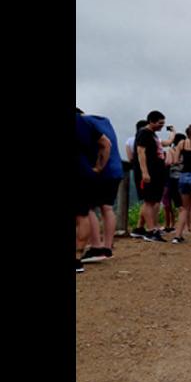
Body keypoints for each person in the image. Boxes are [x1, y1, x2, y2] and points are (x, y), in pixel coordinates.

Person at [80, 111, 123, 263]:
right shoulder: (104, 121)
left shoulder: (84, 123)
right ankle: (107, 246)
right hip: (116, 170)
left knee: (88, 208)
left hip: (102, 172)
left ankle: (96, 246)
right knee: (108, 208)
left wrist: (98, 167)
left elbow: (105, 145)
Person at [76, 109, 111, 272]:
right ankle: (77, 258)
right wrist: (98, 167)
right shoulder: (85, 123)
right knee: (83, 215)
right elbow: (106, 144)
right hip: (84, 172)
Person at [134, 110, 170, 242]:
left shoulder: (153, 135)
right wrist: (144, 172)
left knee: (154, 200)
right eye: (160, 123)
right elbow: (140, 152)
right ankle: (149, 230)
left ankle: (148, 228)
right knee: (148, 200)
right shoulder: (144, 133)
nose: (162, 126)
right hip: (149, 171)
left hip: (157, 171)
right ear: (151, 121)